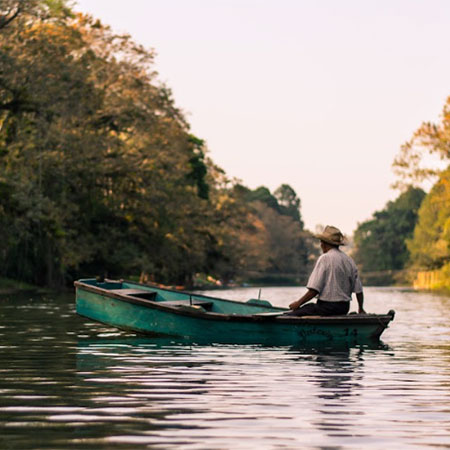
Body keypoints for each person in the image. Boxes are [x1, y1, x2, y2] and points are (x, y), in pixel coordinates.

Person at [288, 225, 366, 316]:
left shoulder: (325, 258)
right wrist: (361, 308)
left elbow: (314, 290)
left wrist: (298, 303)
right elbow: (359, 290)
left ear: (323, 244)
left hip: (327, 308)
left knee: (295, 314)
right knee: (309, 307)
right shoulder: (349, 260)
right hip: (344, 308)